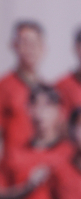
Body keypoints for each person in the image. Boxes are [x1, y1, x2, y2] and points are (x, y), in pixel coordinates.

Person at [0, 21, 46, 152]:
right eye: (25, 42)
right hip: (12, 161)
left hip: (42, 161)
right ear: (14, 45)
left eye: (34, 43)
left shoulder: (49, 90)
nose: (30, 48)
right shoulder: (4, 86)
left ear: (43, 48)